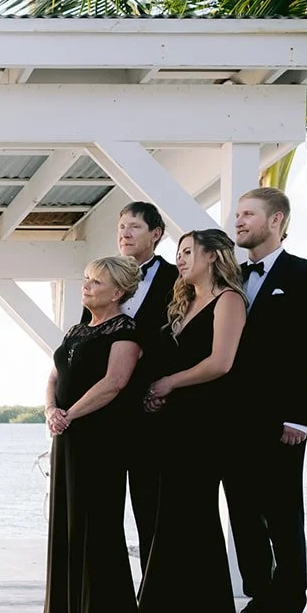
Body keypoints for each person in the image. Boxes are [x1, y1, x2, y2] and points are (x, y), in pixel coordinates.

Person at [225, 188, 307, 613]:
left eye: (248, 214)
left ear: (277, 220)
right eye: (237, 215)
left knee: (283, 515)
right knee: (243, 515)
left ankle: (289, 605)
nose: (239, 222)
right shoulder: (230, 277)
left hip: (280, 423)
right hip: (231, 420)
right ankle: (260, 599)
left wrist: (300, 417)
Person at [135, 229, 246, 613]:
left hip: (208, 423)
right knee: (169, 515)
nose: (179, 260)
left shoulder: (229, 300)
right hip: (173, 423)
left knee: (194, 513)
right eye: (177, 253)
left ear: (213, 256)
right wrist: (157, 393)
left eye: (186, 252)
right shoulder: (182, 302)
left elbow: (221, 362)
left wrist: (168, 384)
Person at [44, 257, 144, 613]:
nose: (86, 287)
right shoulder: (76, 330)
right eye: (86, 279)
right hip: (67, 435)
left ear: (117, 291)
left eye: (96, 283)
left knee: (97, 520)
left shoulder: (126, 332)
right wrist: (51, 409)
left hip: (101, 438)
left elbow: (114, 383)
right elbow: (54, 374)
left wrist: (70, 414)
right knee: (68, 517)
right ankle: (68, 609)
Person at [109, 202, 177, 566]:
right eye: (121, 226)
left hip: (152, 407)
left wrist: (164, 388)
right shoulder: (103, 277)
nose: (125, 232)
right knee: (104, 505)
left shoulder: (176, 278)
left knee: (149, 503)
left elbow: (179, 340)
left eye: (134, 226)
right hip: (106, 408)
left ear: (156, 234)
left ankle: (154, 593)